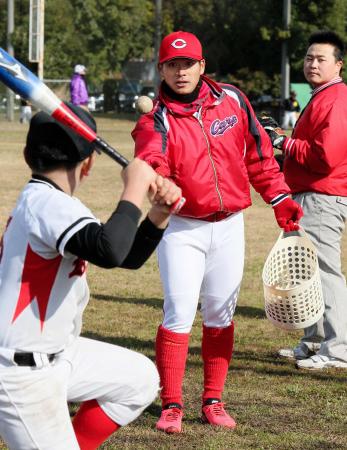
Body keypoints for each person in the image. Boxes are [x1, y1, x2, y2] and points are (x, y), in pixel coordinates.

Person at [131, 30, 303, 434]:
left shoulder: (232, 99)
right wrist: (157, 175)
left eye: (187, 63)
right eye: (172, 65)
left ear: (202, 66)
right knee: (178, 314)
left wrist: (279, 199)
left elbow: (260, 155)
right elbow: (151, 157)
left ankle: (212, 399)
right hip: (182, 228)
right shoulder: (156, 117)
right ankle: (172, 404)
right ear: (162, 69)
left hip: (229, 227)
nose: (180, 72)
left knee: (221, 315)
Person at [0, 102, 182, 450]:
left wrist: (157, 214)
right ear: (89, 164)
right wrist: (134, 187)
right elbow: (110, 251)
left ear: (27, 155)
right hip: (21, 374)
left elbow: (123, 255)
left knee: (138, 378)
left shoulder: (48, 202)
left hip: (56, 356)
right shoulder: (47, 205)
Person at [260, 31, 347, 370]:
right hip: (311, 194)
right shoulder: (323, 95)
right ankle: (314, 341)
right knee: (307, 273)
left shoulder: (337, 97)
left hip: (324, 196)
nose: (312, 63)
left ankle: (338, 349)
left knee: (325, 272)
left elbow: (326, 156)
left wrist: (283, 142)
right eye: (309, 57)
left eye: (321, 58)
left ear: (338, 64)